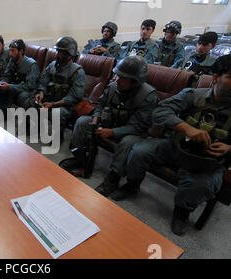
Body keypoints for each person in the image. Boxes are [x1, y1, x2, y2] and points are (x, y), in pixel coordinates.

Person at [123, 55, 231, 236]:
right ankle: (132, 184)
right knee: (139, 151)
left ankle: (181, 212)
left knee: (202, 185)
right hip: (175, 147)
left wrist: (229, 148)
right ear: (215, 78)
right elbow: (159, 111)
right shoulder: (194, 96)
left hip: (207, 161)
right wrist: (187, 128)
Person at [60, 56, 159, 186]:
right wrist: (96, 116)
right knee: (83, 122)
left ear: (135, 81)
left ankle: (113, 177)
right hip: (110, 123)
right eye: (117, 75)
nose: (116, 80)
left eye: (123, 78)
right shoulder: (113, 87)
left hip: (132, 132)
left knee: (126, 142)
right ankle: (80, 159)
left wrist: (112, 132)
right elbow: (100, 104)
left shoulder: (148, 96)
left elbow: (139, 127)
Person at [34, 36, 87, 137]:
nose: (57, 54)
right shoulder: (52, 65)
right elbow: (43, 82)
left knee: (56, 114)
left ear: (69, 55)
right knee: (32, 102)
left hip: (65, 106)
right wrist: (41, 93)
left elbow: (73, 97)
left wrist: (53, 104)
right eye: (57, 51)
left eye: (60, 52)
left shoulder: (78, 72)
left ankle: (58, 137)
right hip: (50, 100)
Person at [0, 39, 40, 110]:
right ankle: (3, 111)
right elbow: (7, 75)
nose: (10, 54)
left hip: (29, 90)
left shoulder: (31, 64)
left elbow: (30, 85)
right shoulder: (12, 60)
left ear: (21, 51)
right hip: (15, 85)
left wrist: (10, 86)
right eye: (10, 50)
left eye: (13, 51)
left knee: (22, 96)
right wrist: (2, 83)